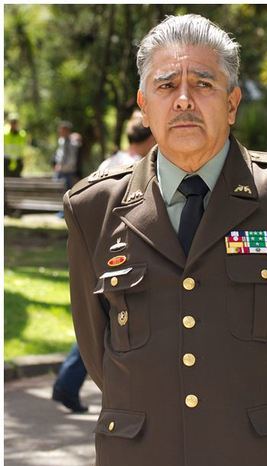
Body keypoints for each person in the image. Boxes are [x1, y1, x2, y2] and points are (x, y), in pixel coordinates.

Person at [63, 14, 267, 466]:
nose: (183, 99)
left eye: (203, 83)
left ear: (233, 102)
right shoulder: (92, 208)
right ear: (144, 105)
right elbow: (99, 354)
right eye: (166, 84)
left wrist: (265, 422)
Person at [52, 114, 156, 414]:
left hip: (99, 252)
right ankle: (70, 384)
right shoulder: (137, 168)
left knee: (102, 323)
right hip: (123, 257)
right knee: (109, 326)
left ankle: (68, 384)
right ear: (149, 139)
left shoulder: (109, 162)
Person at [52, 120, 80, 190]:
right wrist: (56, 164)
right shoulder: (61, 141)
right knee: (55, 189)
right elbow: (59, 154)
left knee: (69, 191)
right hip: (60, 170)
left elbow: (72, 158)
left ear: (67, 131)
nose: (60, 131)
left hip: (69, 171)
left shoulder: (73, 142)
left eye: (62, 130)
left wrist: (63, 166)